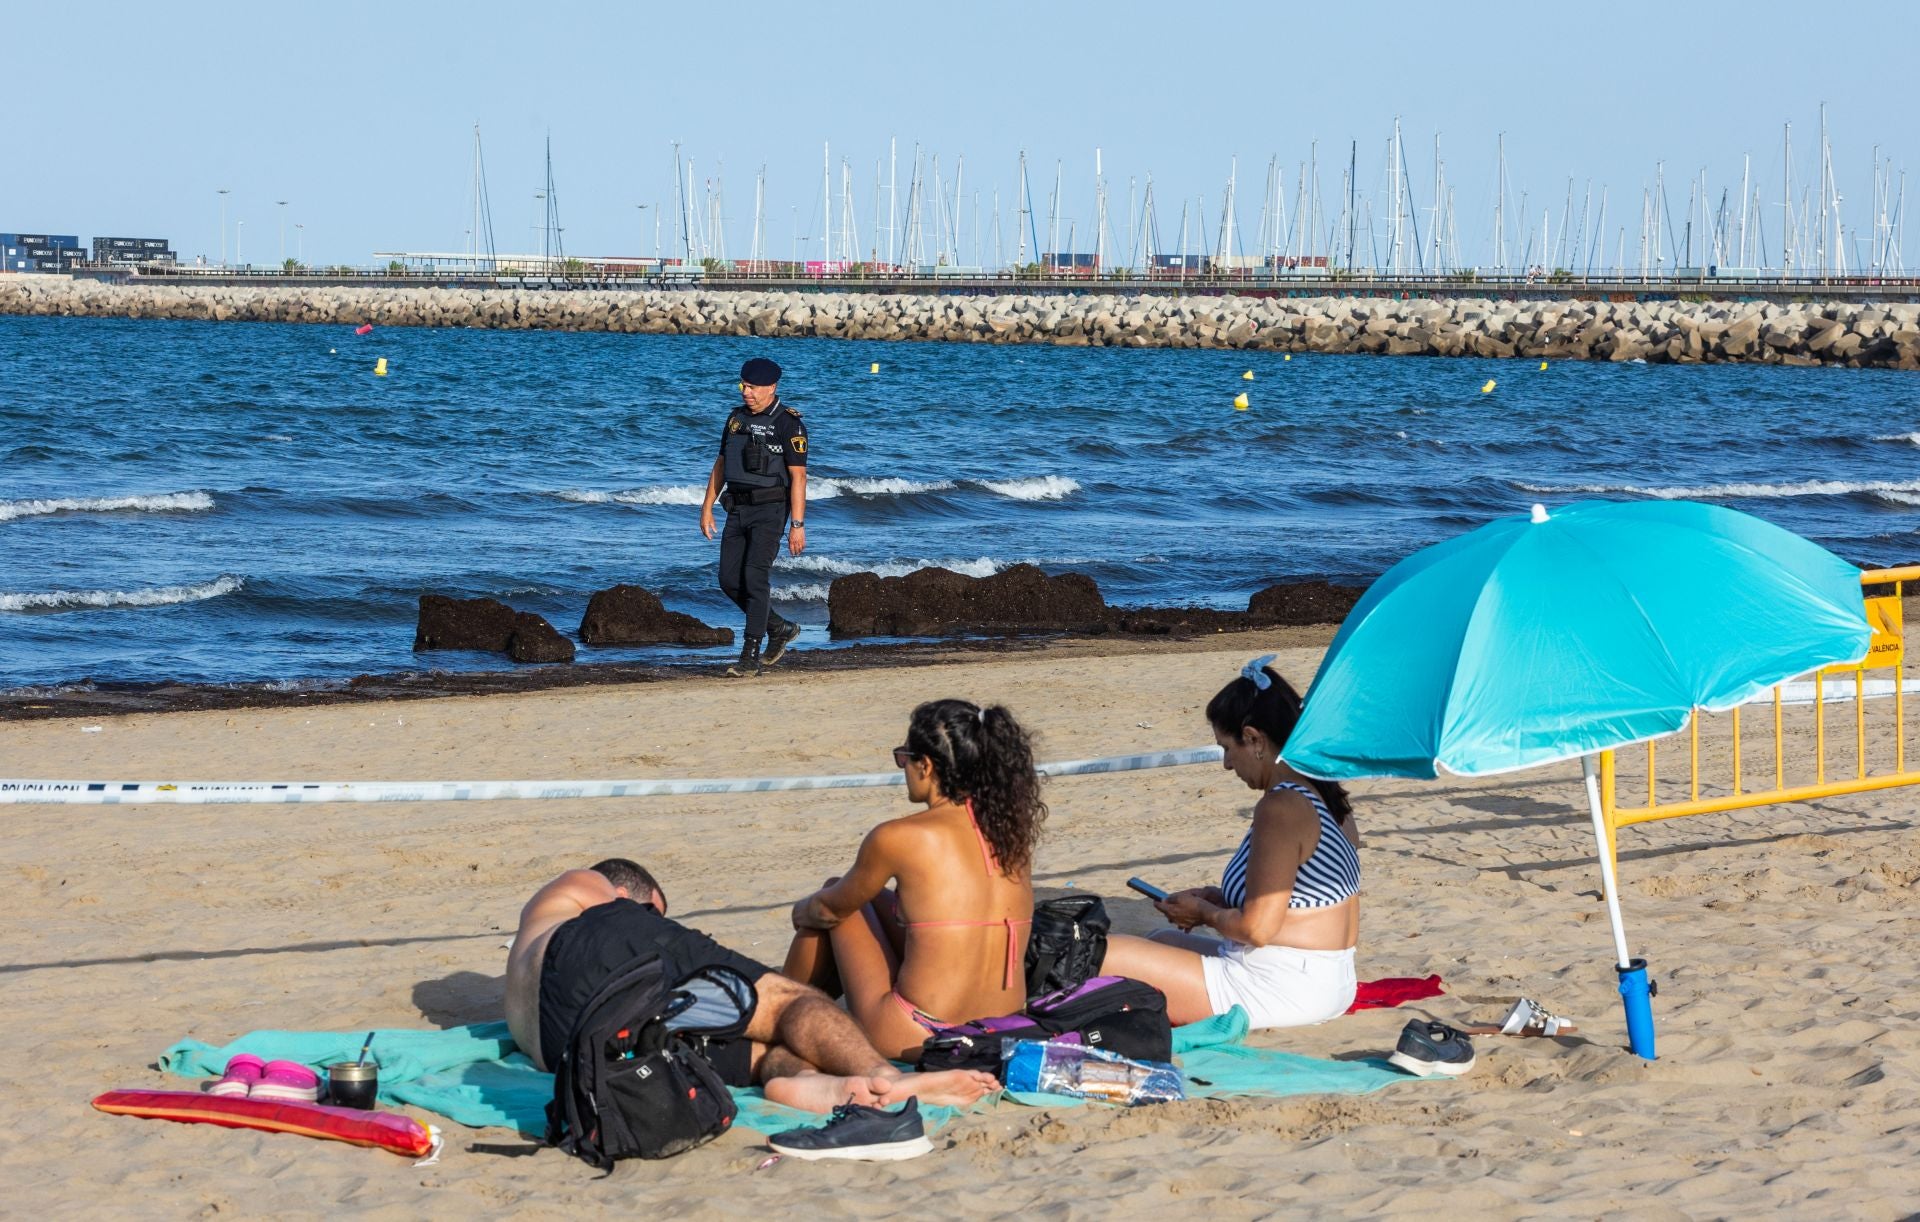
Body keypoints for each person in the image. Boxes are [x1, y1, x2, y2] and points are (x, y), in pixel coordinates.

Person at [504, 859, 997, 1113]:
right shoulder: (587, 884)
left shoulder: (529, 943)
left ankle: (805, 1084)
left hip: (563, 1044)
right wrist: (650, 923)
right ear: (642, 897)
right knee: (786, 1001)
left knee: (761, 1051)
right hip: (592, 950)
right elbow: (615, 911)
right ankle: (885, 1077)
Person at [1101, 656, 1360, 1029]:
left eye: (1227, 748)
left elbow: (1257, 930)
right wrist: (1219, 897)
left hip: (1281, 987)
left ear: (1254, 739)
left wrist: (1203, 914)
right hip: (1325, 980)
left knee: (1108, 953)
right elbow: (1302, 903)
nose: (1226, 764)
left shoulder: (1282, 806)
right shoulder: (1325, 794)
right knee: (1162, 940)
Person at [783, 700, 1048, 1061]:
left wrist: (799, 912)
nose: (902, 767)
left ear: (925, 765)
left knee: (832, 899)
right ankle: (797, 1004)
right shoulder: (1009, 833)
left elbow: (829, 911)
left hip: (919, 1031)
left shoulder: (898, 837)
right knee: (871, 901)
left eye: (903, 758)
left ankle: (779, 1010)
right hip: (1003, 1028)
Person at [698, 356, 808, 678]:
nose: (746, 392)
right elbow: (721, 464)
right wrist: (706, 506)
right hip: (737, 508)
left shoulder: (789, 423)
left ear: (771, 387)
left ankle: (749, 656)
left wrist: (797, 526)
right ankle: (779, 627)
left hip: (771, 511)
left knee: (755, 579)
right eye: (743, 385)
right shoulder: (734, 419)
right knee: (728, 580)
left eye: (753, 387)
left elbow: (798, 477)